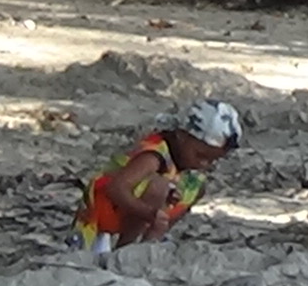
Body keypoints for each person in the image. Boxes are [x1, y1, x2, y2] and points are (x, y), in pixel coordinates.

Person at [73, 100, 243, 252]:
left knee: (194, 186)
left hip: (130, 214)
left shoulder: (187, 169)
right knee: (159, 187)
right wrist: (149, 213)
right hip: (100, 211)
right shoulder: (154, 155)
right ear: (181, 136)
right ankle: (126, 249)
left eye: (212, 160)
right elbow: (115, 188)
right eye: (200, 155)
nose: (204, 164)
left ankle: (147, 246)